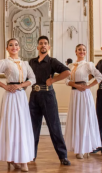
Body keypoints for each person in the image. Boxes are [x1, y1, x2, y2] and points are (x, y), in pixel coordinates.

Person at [0, 38, 36, 172]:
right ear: (7, 48)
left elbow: (33, 79)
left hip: (21, 96)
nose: (14, 47)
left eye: (16, 45)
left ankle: (23, 159)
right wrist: (4, 86)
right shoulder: (4, 62)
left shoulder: (25, 63)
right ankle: (11, 158)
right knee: (11, 126)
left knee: (22, 126)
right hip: (10, 97)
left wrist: (20, 85)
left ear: (19, 47)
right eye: (11, 45)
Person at [29, 35, 71, 165]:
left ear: (49, 47)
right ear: (37, 46)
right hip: (34, 96)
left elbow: (67, 72)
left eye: (45, 43)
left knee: (54, 127)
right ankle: (31, 155)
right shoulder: (31, 62)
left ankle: (63, 156)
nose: (43, 45)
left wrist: (53, 80)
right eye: (41, 43)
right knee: (33, 127)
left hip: (48, 96)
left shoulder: (52, 61)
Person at [64, 44, 102, 159]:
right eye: (79, 49)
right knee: (76, 119)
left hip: (84, 95)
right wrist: (75, 84)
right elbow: (66, 80)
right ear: (75, 51)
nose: (82, 51)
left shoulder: (88, 64)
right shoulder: (70, 66)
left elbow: (99, 77)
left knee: (85, 119)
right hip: (75, 94)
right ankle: (78, 149)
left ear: (86, 52)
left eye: (84, 50)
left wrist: (88, 86)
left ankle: (86, 147)